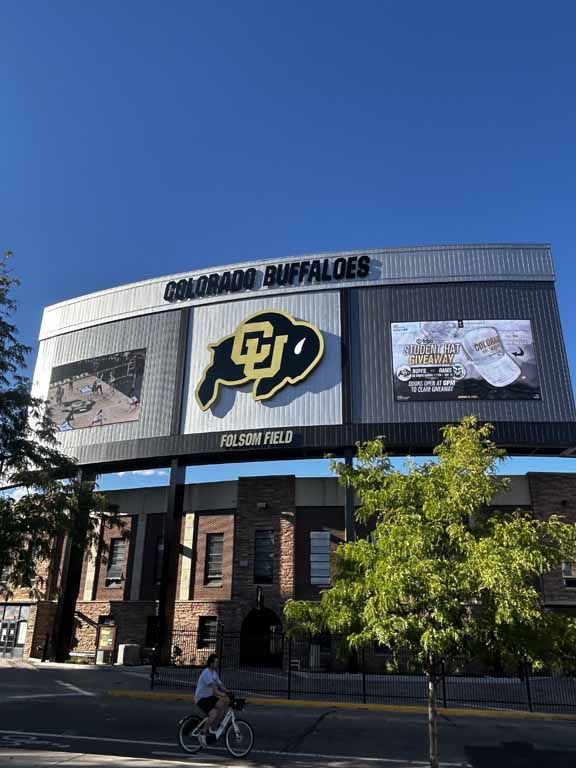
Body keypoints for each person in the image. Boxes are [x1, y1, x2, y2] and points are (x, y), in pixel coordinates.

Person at [194, 654, 229, 747]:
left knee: (222, 705)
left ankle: (214, 728)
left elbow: (220, 684)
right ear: (211, 663)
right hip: (201, 698)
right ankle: (202, 734)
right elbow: (213, 687)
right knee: (213, 713)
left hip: (209, 697)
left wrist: (228, 692)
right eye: (216, 662)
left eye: (218, 662)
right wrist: (220, 693)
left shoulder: (214, 673)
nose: (217, 663)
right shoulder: (206, 673)